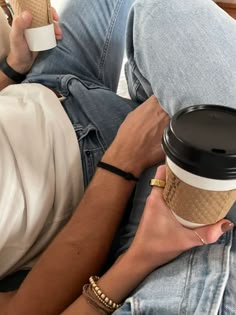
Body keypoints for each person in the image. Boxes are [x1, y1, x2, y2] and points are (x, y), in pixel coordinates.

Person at [0, 0, 235, 314]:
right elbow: (23, 309)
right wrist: (122, 163)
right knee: (168, 11)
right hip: (95, 183)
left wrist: (12, 68)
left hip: (40, 88)